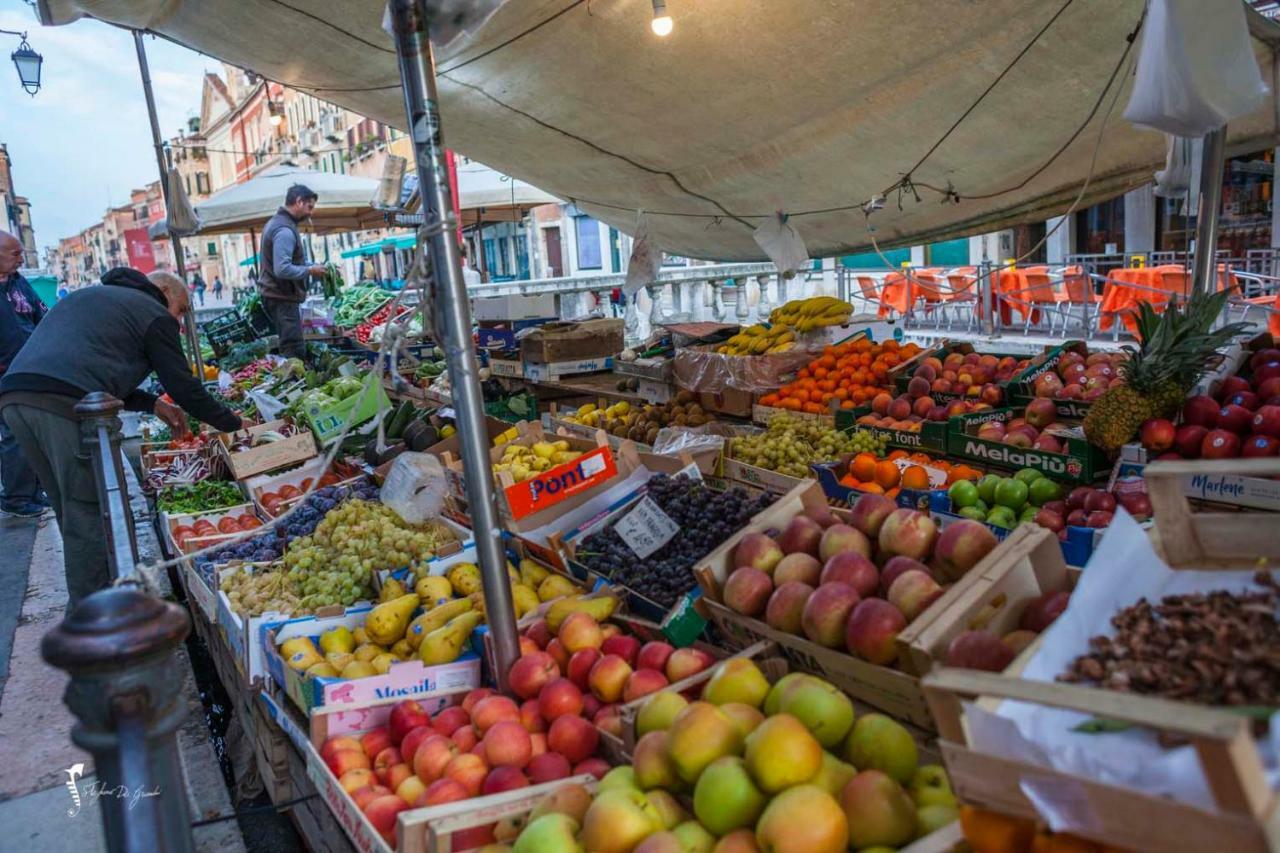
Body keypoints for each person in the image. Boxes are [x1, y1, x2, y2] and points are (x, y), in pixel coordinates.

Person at [0, 268, 244, 608]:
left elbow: (91, 367)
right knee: (87, 508)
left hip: (16, 398)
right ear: (161, 291)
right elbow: (183, 387)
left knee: (67, 507)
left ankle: (96, 604)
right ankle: (96, 617)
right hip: (61, 406)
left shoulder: (94, 297)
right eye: (182, 307)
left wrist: (153, 404)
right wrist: (235, 426)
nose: (181, 318)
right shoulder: (154, 314)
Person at [0, 231, 48, 518]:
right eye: (15, 254)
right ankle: (16, 497)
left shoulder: (19, 283)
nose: (21, 258)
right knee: (14, 434)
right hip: (5, 374)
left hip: (30, 369)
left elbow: (42, 314)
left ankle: (33, 492)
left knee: (32, 431)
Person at [259, 184, 325, 360]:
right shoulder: (284, 230)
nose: (311, 213)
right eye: (309, 207)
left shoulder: (277, 223)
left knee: (291, 346)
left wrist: (309, 265)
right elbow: (282, 269)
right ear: (299, 202)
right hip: (282, 299)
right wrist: (310, 270)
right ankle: (296, 384)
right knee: (293, 349)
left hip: (277, 297)